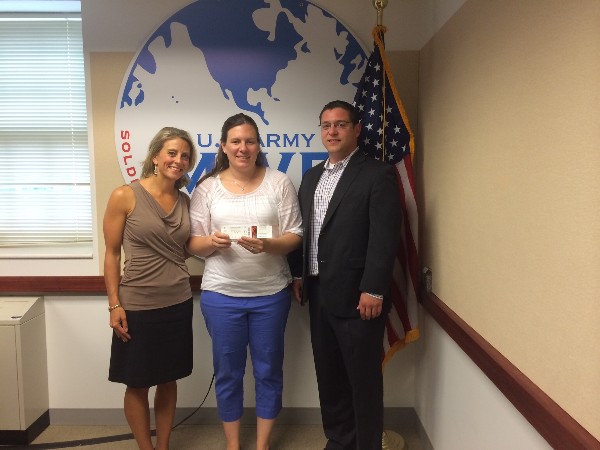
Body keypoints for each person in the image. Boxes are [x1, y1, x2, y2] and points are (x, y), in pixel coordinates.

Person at [290, 100, 401, 450]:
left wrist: (373, 289)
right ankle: (340, 438)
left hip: (358, 296)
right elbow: (306, 233)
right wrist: (298, 276)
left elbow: (384, 237)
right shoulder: (311, 177)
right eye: (325, 125)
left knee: (362, 378)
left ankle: (366, 444)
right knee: (330, 374)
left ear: (356, 129)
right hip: (318, 292)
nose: (332, 131)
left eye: (340, 124)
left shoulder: (376, 173)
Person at [187, 113, 302, 450]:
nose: (243, 148)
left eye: (250, 141)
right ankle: (234, 445)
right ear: (223, 146)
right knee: (228, 373)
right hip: (221, 296)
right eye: (235, 141)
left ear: (258, 145)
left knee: (268, 371)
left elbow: (295, 234)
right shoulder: (206, 188)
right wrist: (212, 243)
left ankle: (262, 445)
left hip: (270, 295)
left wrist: (269, 245)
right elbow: (192, 243)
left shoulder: (279, 183)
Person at [103, 127, 197, 450]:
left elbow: (184, 248)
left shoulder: (185, 201)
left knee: (168, 379)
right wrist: (114, 304)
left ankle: (164, 446)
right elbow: (112, 254)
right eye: (172, 153)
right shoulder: (125, 195)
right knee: (138, 383)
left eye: (185, 156)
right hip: (137, 306)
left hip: (178, 303)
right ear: (155, 156)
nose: (178, 160)